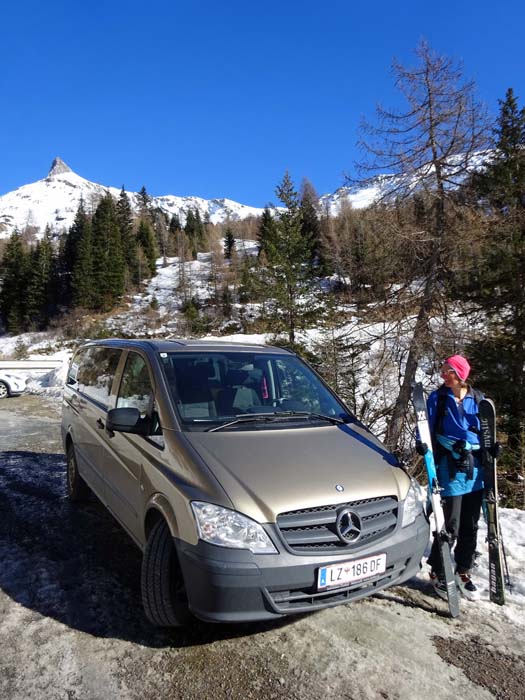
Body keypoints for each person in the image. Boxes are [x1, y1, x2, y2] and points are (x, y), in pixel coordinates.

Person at [422, 354, 485, 601]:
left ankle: (463, 570)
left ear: (460, 373)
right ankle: (439, 571)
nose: (443, 375)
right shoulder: (437, 398)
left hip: (476, 470)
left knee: (470, 524)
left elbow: (485, 432)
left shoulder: (478, 399)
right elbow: (425, 427)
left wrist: (491, 448)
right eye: (442, 370)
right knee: (450, 524)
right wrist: (423, 445)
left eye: (448, 370)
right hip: (450, 466)